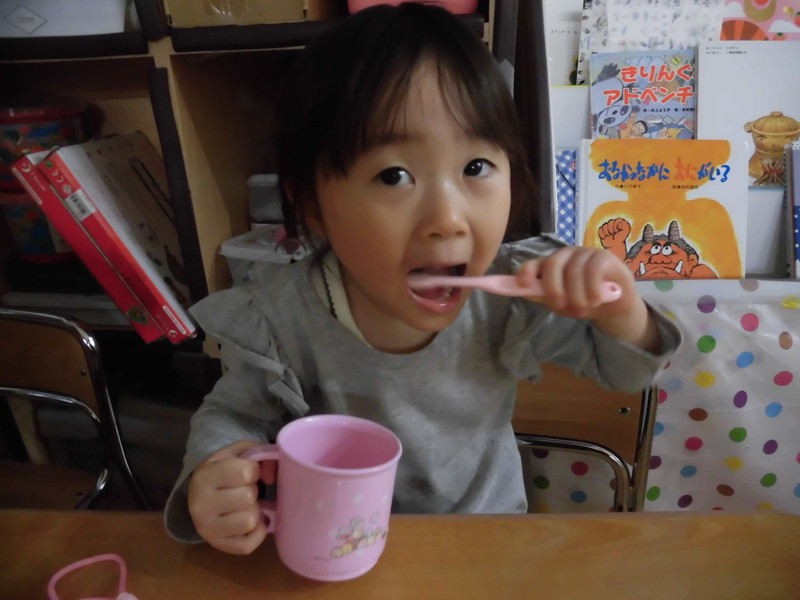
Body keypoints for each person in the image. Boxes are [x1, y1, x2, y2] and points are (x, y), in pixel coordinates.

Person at [165, 3, 681, 554]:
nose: (447, 219)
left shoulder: (514, 296)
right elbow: (233, 416)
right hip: (342, 549)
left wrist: (620, 311)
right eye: (394, 176)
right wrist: (219, 473)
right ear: (312, 206)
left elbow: (627, 371)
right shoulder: (281, 319)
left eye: (475, 167)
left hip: (485, 546)